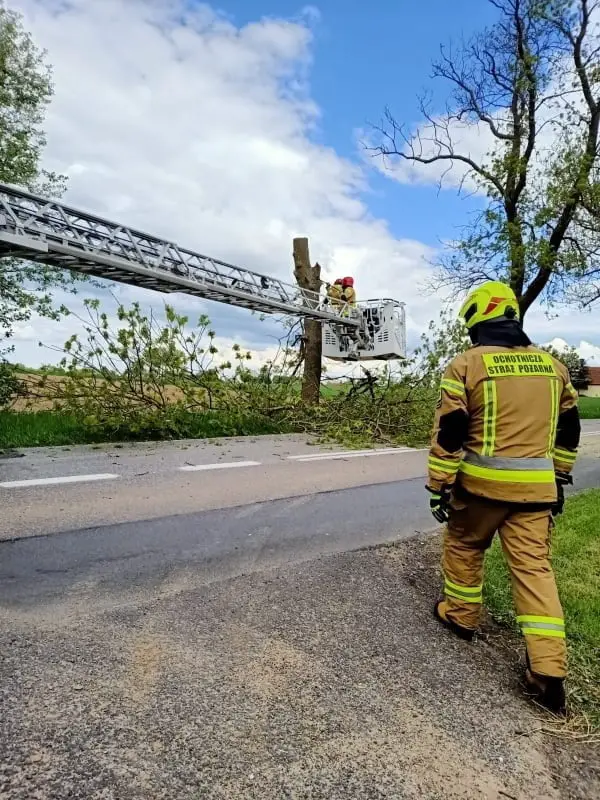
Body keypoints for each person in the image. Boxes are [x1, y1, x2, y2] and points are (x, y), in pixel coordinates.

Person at [426, 280, 580, 715]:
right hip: (536, 495)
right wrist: (559, 477)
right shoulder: (554, 367)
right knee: (534, 570)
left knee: (464, 546)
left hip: (480, 491)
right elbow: (569, 430)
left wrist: (439, 485)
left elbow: (451, 430)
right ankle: (547, 670)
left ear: (477, 318)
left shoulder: (466, 365)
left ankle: (461, 616)